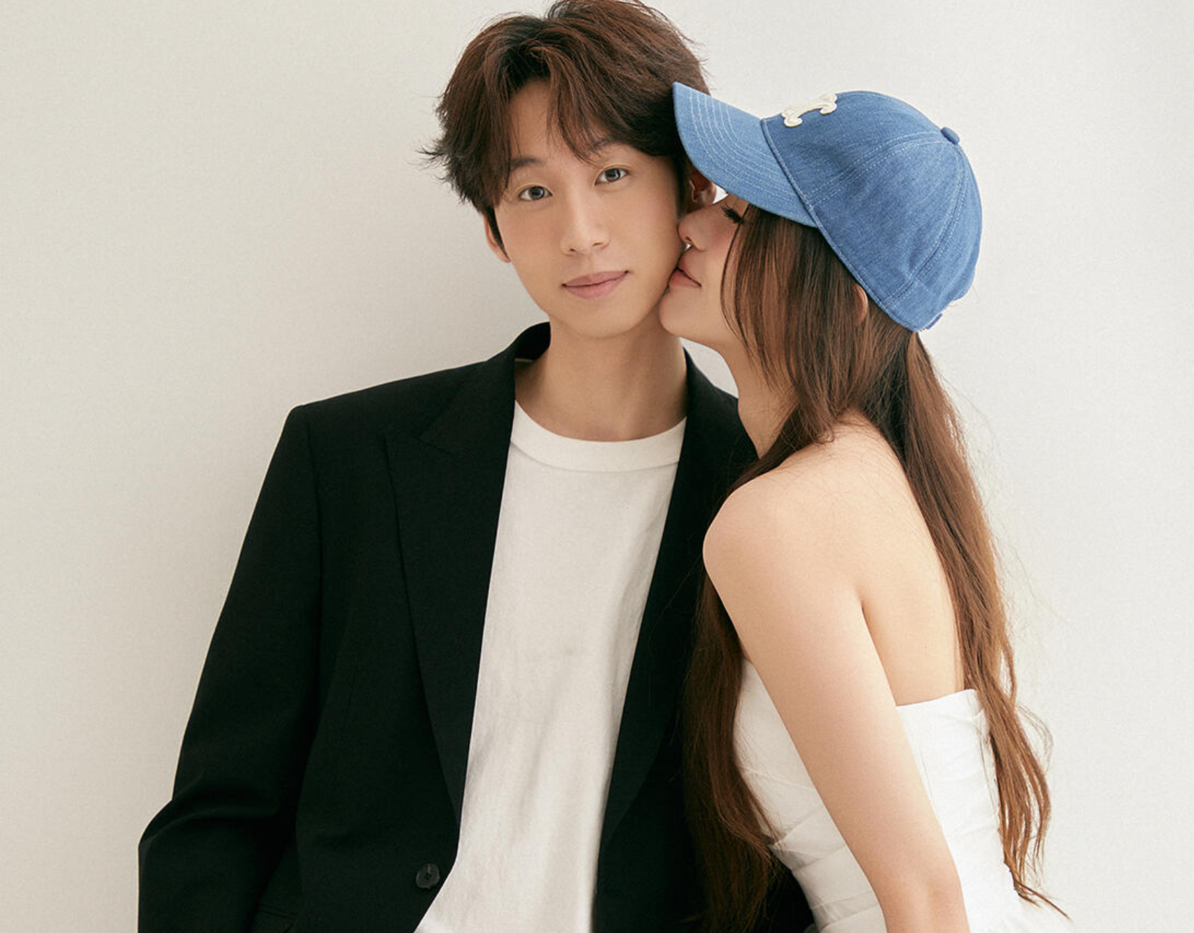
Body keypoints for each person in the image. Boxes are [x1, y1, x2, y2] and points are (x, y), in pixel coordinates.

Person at [136, 4, 815, 932]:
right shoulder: (348, 460)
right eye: (532, 191)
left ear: (691, 187)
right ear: (493, 227)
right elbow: (218, 813)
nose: (579, 232)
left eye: (612, 173)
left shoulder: (773, 488)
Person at [657, 84, 1073, 933]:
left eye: (741, 217)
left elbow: (924, 896)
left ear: (843, 297)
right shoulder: (877, 474)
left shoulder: (778, 519)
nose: (692, 224)